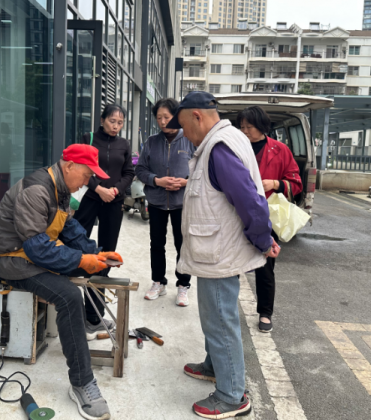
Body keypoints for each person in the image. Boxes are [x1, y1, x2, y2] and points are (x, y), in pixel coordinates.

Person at [165, 91, 280, 418]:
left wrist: (263, 239)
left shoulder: (219, 147)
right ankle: (215, 365)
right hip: (214, 249)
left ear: (197, 116)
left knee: (219, 320)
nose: (184, 134)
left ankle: (231, 395)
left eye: (184, 126)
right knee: (214, 316)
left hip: (219, 252)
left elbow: (249, 199)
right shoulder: (223, 141)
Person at [0, 144, 121, 420]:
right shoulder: (37, 191)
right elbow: (38, 249)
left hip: (31, 256)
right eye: (86, 175)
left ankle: (86, 324)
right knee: (69, 296)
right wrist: (81, 260)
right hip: (13, 262)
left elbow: (70, 229)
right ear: (69, 166)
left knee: (86, 267)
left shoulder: (59, 189)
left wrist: (97, 254)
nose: (87, 182)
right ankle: (82, 382)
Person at [237, 106, 302, 333]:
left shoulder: (280, 150)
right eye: (242, 127)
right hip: (238, 213)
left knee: (265, 266)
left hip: (267, 216)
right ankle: (227, 310)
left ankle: (265, 313)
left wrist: (275, 184)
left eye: (249, 127)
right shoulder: (235, 147)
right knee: (232, 262)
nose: (245, 131)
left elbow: (296, 183)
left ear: (262, 127)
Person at [74, 104, 135, 339]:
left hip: (113, 202)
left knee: (107, 254)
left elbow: (129, 173)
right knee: (76, 243)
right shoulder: (88, 139)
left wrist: (116, 191)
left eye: (120, 123)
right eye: (112, 121)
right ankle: (71, 305)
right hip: (91, 198)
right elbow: (82, 167)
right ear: (102, 120)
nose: (115, 126)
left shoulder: (124, 144)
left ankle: (94, 316)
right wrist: (98, 188)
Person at [135, 98, 194, 306]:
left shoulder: (189, 139)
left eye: (166, 117)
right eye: (159, 118)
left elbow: (202, 171)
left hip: (182, 203)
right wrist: (157, 180)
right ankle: (158, 282)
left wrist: (185, 182)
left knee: (182, 245)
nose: (162, 122)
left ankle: (183, 285)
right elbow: (140, 169)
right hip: (157, 201)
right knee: (157, 244)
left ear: (176, 117)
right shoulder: (151, 142)